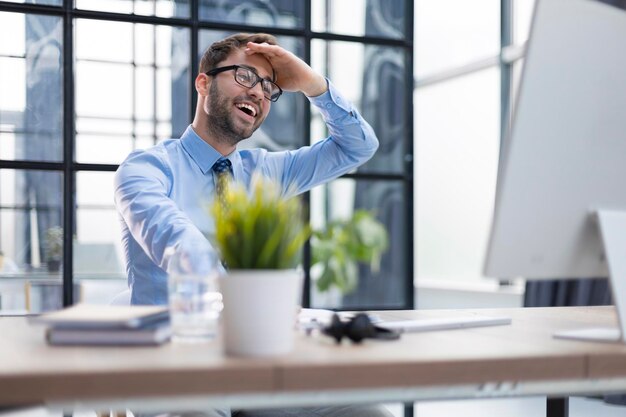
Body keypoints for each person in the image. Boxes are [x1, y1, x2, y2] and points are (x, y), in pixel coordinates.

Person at [114, 33, 391, 417]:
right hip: (178, 364)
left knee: (369, 411)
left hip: (257, 365)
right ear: (203, 82)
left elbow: (358, 146)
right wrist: (245, 301)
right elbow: (179, 242)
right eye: (245, 76)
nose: (260, 93)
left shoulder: (263, 171)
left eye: (268, 86)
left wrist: (313, 85)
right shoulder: (146, 169)